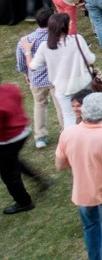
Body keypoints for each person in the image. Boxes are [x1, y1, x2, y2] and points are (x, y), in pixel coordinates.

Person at [55, 93, 102, 259]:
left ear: (83, 112)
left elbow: (60, 165)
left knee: (90, 227)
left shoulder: (67, 134)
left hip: (82, 191)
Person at [28, 13, 95, 130]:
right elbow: (90, 59)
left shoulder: (45, 46)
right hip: (83, 83)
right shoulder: (77, 39)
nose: (71, 23)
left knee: (69, 117)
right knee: (90, 112)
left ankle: (72, 141)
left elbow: (32, 66)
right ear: (64, 26)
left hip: (62, 88)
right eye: (69, 22)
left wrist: (27, 52)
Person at [15, 9, 63, 148]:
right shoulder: (57, 37)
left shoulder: (25, 40)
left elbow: (21, 61)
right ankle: (66, 132)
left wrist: (26, 74)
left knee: (39, 106)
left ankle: (40, 137)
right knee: (60, 106)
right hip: (56, 78)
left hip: (36, 79)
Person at [0, 74, 46, 215]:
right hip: (23, 130)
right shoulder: (10, 88)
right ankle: (38, 179)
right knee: (11, 160)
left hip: (9, 139)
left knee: (8, 174)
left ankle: (24, 202)